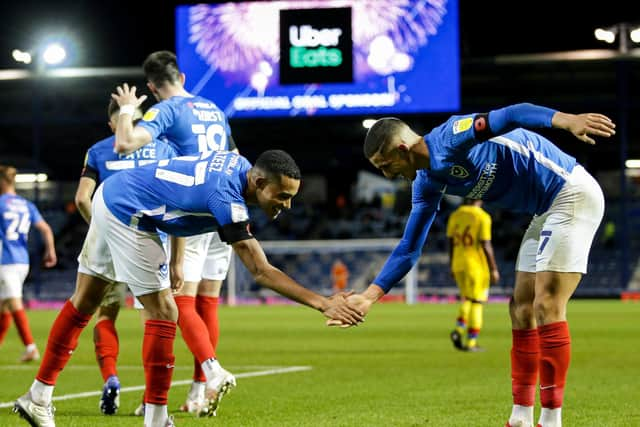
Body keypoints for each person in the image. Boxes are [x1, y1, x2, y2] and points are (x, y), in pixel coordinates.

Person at [14, 149, 364, 427]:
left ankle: (38, 397)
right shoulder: (227, 198)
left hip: (111, 195)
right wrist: (323, 304)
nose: (285, 204)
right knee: (165, 310)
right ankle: (155, 420)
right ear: (258, 181)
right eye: (282, 195)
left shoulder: (237, 165)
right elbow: (260, 270)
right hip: (130, 213)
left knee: (85, 302)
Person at [330, 103, 615, 427]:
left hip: (571, 192)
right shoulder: (425, 184)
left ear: (402, 149)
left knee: (547, 304)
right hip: (544, 208)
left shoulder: (452, 137)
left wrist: (568, 119)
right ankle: (520, 417)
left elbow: (512, 115)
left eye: (385, 165)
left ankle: (551, 420)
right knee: (520, 308)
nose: (386, 174)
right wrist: (368, 297)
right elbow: (410, 247)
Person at [114, 50, 240, 416]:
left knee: (180, 299)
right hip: (227, 207)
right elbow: (237, 156)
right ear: (183, 77)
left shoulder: (166, 110)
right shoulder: (214, 109)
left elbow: (125, 142)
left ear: (153, 88)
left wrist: (125, 109)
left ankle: (212, 372)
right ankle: (199, 391)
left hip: (196, 207)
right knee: (209, 302)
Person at [74, 99, 176, 415]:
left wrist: (108, 230)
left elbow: (81, 199)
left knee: (105, 316)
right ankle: (151, 399)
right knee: (156, 319)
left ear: (111, 124)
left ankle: (111, 378)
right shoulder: (162, 147)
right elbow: (174, 202)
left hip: (109, 245)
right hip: (152, 245)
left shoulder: (98, 149)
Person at [0, 165, 57, 362]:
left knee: (14, 301)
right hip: (22, 260)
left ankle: (31, 347)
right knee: (4, 306)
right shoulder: (26, 204)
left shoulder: (0, 203)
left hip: (5, 260)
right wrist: (50, 251)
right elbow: (46, 229)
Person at [446, 198, 499, 352]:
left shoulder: (455, 215)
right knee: (477, 302)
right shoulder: (482, 216)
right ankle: (470, 341)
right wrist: (494, 268)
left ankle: (459, 329)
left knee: (467, 299)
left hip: (458, 263)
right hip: (476, 266)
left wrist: (451, 264)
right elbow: (485, 244)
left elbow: (449, 241)